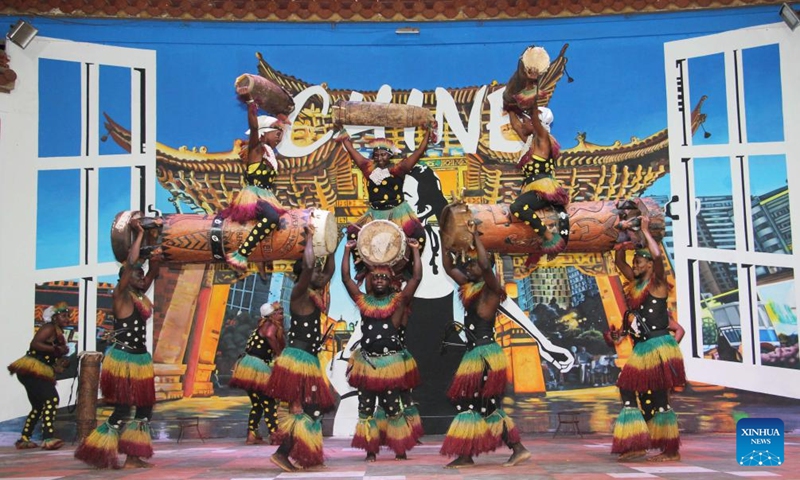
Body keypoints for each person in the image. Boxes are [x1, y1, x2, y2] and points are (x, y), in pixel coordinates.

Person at [440, 225, 530, 469]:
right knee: (476, 404)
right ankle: (470, 453)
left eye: (473, 264)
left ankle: (515, 448)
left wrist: (478, 238)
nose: (468, 267)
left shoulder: (491, 289)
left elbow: (487, 265)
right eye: (468, 264)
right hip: (475, 354)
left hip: (485, 354)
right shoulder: (469, 287)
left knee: (477, 404)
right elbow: (448, 267)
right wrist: (443, 237)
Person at [74, 220, 161, 469]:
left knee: (145, 409)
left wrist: (154, 261)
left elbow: (151, 272)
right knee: (122, 410)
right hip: (123, 360)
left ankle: (133, 456)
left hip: (140, 359)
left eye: (142, 276)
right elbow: (132, 263)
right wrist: (140, 234)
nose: (141, 277)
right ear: (125, 277)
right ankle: (97, 450)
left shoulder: (139, 296)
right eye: (137, 274)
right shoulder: (120, 295)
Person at [607, 214, 686, 462]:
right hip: (644, 347)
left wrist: (645, 231)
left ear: (650, 264)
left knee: (642, 392)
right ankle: (643, 444)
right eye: (636, 261)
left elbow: (660, 256)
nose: (636, 265)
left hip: (657, 346)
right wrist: (621, 241)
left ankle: (665, 449)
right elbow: (620, 263)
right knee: (646, 395)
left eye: (640, 261)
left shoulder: (658, 283)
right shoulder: (635, 285)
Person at [342, 237, 422, 462]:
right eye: (375, 277)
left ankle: (400, 448)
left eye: (384, 277)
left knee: (392, 409)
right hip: (367, 365)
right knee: (365, 409)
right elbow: (346, 278)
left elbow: (416, 278)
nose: (379, 280)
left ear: (390, 282)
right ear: (369, 281)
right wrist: (347, 251)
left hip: (390, 365)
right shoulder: (363, 302)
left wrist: (415, 250)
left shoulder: (397, 304)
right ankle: (370, 450)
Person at [265, 226, 336, 471]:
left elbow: (329, 271)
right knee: (302, 409)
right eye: (314, 271)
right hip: (298, 359)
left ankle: (307, 455)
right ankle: (283, 453)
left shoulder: (313, 294)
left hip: (308, 358)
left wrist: (332, 246)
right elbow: (308, 268)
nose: (320, 275)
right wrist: (308, 240)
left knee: (314, 410)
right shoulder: (299, 293)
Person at [336, 127, 433, 278]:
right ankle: (361, 267)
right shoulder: (368, 168)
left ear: (390, 155)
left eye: (383, 155)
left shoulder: (399, 169)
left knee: (419, 235)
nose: (380, 158)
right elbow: (352, 151)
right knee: (353, 234)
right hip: (374, 212)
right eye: (377, 155)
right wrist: (342, 133)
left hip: (398, 211)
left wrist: (428, 134)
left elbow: (419, 152)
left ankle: (408, 267)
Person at [221, 98, 287, 271]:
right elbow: (255, 127)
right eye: (276, 131)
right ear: (263, 134)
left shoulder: (270, 154)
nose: (280, 134)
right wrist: (251, 107)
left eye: (281, 132)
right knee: (271, 218)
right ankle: (241, 254)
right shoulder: (256, 149)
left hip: (266, 196)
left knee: (279, 223)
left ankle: (263, 259)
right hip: (253, 196)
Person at [507, 96, 569, 266]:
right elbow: (516, 125)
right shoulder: (530, 140)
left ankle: (548, 235)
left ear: (536, 123)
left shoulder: (543, 139)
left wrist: (531, 98)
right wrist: (510, 107)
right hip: (532, 188)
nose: (523, 122)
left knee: (517, 207)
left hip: (543, 187)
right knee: (518, 207)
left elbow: (534, 118)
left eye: (526, 119)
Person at [8, 302, 71, 450]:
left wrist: (60, 364)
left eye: (68, 316)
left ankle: (25, 438)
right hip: (32, 370)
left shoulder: (59, 333)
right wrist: (56, 350)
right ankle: (48, 437)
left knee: (38, 406)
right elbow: (35, 344)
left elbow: (51, 357)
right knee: (52, 399)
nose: (67, 319)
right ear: (54, 318)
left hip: (36, 371)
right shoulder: (49, 328)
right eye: (63, 315)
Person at [229, 301, 285, 446]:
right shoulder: (269, 325)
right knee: (269, 400)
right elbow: (270, 335)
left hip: (247, 366)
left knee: (257, 404)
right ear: (272, 315)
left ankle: (251, 434)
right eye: (279, 313)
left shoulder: (260, 325)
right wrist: (279, 353)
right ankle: (274, 434)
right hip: (256, 366)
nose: (282, 315)